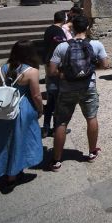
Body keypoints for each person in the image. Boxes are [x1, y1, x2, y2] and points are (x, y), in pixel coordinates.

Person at [48, 15, 108, 171]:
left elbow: (52, 70)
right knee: (91, 118)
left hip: (67, 89)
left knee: (61, 123)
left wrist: (65, 75)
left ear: (72, 27)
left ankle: (56, 160)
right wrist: (89, 71)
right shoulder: (96, 44)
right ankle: (92, 152)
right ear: (88, 28)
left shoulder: (62, 47)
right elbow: (105, 64)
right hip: (88, 87)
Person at [0, 40, 43, 187]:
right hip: (22, 108)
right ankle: (12, 175)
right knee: (20, 141)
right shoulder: (31, 71)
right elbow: (36, 95)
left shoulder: (0, 70)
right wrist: (40, 109)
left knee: (2, 142)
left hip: (2, 109)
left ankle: (0, 170)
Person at [41, 10, 67, 138]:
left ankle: (46, 128)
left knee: (51, 101)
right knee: (58, 101)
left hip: (48, 65)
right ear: (64, 19)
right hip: (55, 68)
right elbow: (61, 50)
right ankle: (58, 128)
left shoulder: (48, 29)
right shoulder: (59, 32)